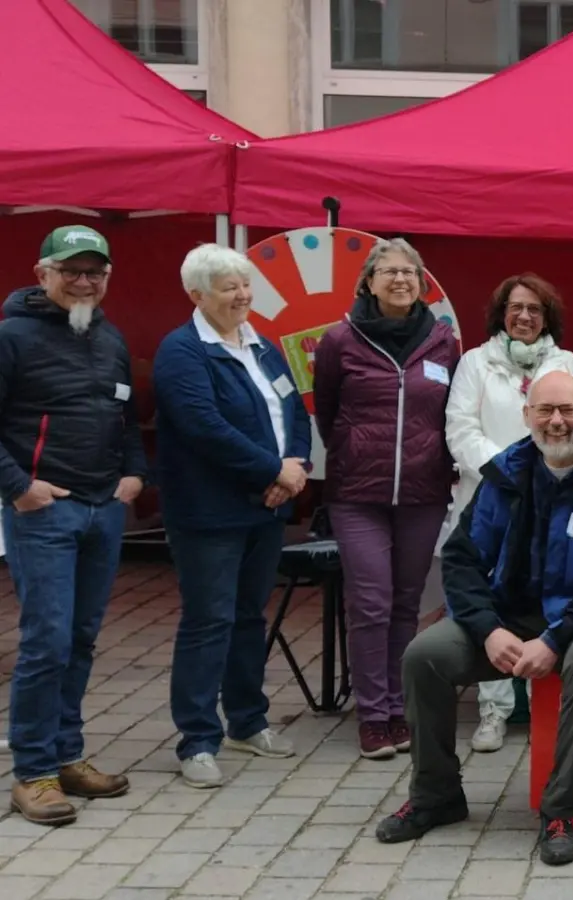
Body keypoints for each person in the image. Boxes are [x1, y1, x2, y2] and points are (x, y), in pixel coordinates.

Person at [375, 368, 573, 867]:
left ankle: (560, 811)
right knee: (424, 656)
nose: (557, 421)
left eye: (567, 410)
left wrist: (556, 639)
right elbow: (461, 560)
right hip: (507, 620)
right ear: (527, 415)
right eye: (545, 410)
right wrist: (488, 629)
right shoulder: (504, 475)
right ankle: (437, 795)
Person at [0, 226, 146, 825]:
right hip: (44, 512)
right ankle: (32, 773)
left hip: (101, 509)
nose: (84, 282)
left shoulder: (109, 337)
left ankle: (65, 756)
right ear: (43, 274)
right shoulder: (12, 337)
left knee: (81, 639)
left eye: (95, 272)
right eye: (71, 271)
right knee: (47, 641)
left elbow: (126, 416)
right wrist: (19, 487)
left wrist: (134, 474)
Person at [153, 244, 313, 789]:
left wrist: (294, 467)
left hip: (265, 507)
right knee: (209, 621)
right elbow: (203, 426)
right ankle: (198, 740)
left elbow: (294, 411)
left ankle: (248, 721)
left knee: (248, 618)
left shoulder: (261, 346)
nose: (243, 296)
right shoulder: (182, 351)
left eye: (245, 285)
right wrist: (273, 469)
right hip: (209, 513)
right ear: (197, 295)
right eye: (229, 288)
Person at [314, 238, 460, 760]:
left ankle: (400, 706)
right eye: (389, 271)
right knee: (371, 602)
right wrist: (354, 450)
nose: (400, 279)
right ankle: (373, 715)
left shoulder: (443, 342)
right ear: (368, 283)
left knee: (405, 602)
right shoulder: (339, 340)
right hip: (358, 493)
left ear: (422, 283)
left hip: (423, 492)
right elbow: (327, 410)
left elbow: (449, 411)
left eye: (409, 272)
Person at [444, 273, 573, 754]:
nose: (524, 316)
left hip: (552, 498)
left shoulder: (567, 364)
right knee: (495, 598)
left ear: (548, 317)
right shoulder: (474, 363)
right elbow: (461, 429)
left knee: (544, 597)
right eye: (516, 308)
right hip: (491, 495)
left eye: (534, 309)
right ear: (501, 314)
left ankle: (546, 706)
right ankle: (494, 711)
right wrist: (510, 473)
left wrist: (540, 473)